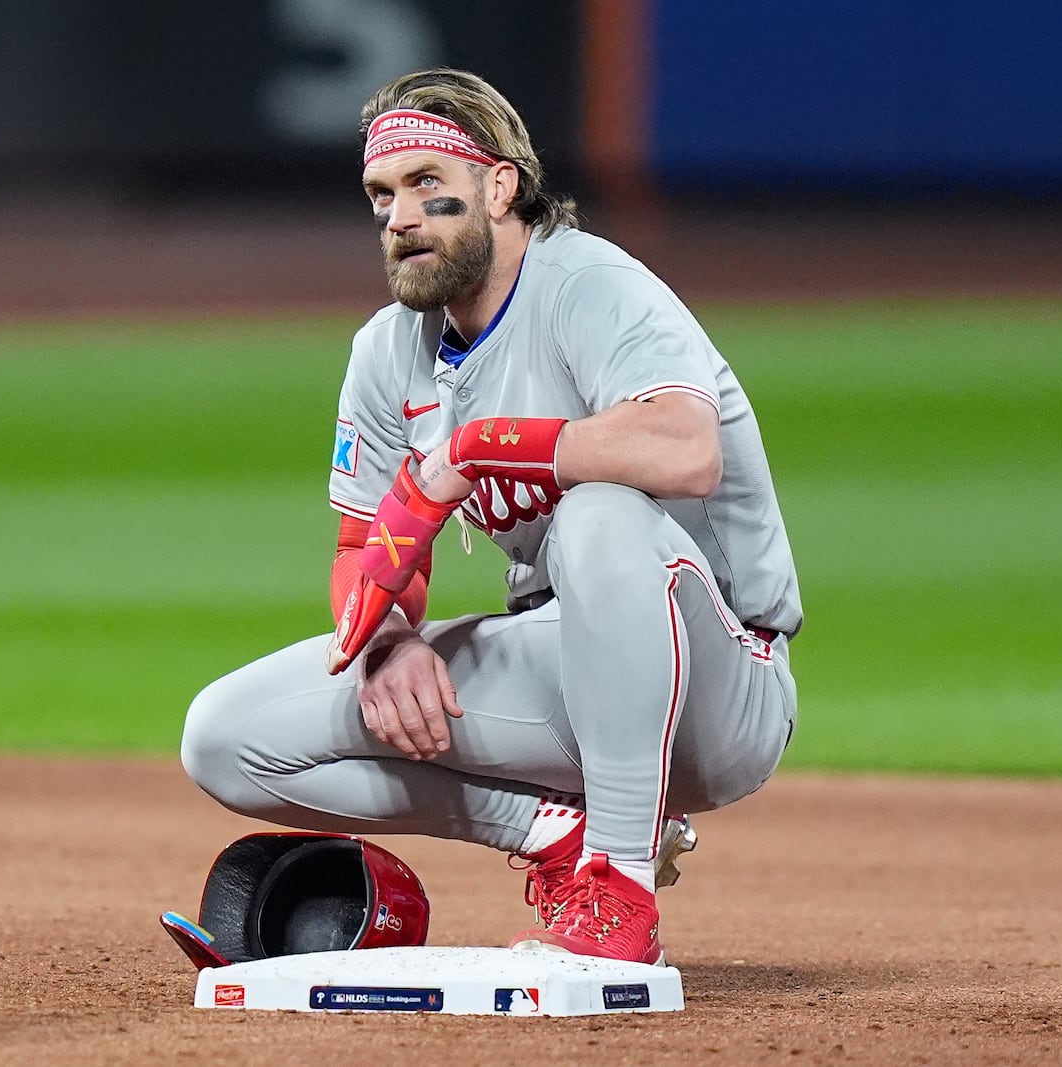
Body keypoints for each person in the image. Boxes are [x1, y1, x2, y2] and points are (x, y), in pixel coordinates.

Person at [180, 68, 801, 966]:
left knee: (599, 515)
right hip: (566, 669)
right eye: (383, 195)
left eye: (430, 185)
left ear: (501, 185)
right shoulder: (388, 349)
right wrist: (391, 641)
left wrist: (485, 445)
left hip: (719, 687)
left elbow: (685, 449)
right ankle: (555, 834)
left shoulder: (588, 285)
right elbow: (365, 547)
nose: (401, 216)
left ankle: (619, 889)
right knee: (226, 737)